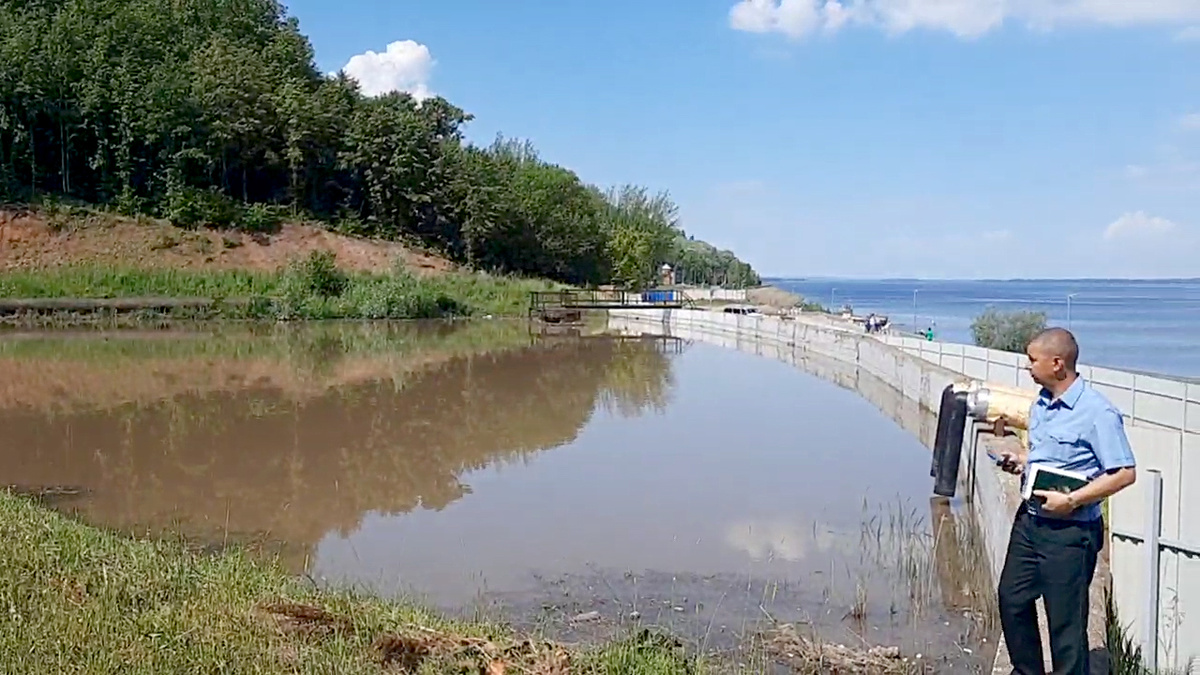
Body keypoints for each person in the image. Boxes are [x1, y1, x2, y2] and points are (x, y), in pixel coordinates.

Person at [995, 327, 1137, 675]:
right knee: (1012, 599)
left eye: (1032, 360)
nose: (1027, 367)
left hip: (1071, 532)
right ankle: (1027, 670)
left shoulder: (1097, 412)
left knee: (1065, 623)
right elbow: (1050, 455)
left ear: (1057, 364)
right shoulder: (1042, 404)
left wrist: (1072, 500)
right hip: (1030, 522)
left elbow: (1124, 473)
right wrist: (1023, 460)